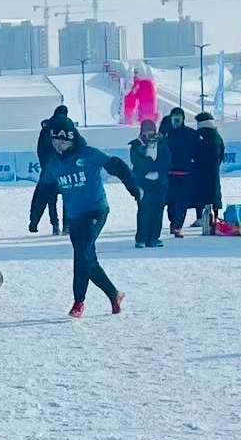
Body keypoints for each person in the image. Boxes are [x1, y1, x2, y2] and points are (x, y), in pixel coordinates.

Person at [43, 116, 140, 318]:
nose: (58, 146)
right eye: (54, 143)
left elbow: (117, 165)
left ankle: (79, 301)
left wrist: (133, 188)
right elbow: (43, 189)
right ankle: (114, 294)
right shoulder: (53, 163)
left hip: (96, 210)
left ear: (71, 139)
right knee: (89, 260)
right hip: (74, 216)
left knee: (81, 253)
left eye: (61, 142)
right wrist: (34, 218)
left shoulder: (88, 154)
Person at [129, 119, 171, 248]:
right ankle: (141, 238)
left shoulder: (162, 144)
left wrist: (157, 170)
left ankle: (154, 237)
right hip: (142, 183)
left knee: (157, 210)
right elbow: (137, 162)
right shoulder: (136, 146)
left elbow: (166, 161)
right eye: (146, 130)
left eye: (151, 130)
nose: (149, 133)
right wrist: (148, 168)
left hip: (159, 183)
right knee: (144, 210)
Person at [159, 107, 199, 238]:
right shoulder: (165, 135)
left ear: (183, 119)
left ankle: (178, 226)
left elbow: (198, 152)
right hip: (169, 173)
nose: (176, 121)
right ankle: (173, 223)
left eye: (178, 119)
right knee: (170, 202)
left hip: (185, 173)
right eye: (174, 119)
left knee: (182, 202)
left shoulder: (190, 134)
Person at [29, 105, 67, 234]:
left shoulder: (46, 130)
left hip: (49, 170)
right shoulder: (68, 128)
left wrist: (45, 166)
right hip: (65, 169)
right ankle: (67, 225)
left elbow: (40, 150)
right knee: (68, 198)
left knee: (51, 199)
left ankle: (55, 225)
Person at [193, 112, 226, 227]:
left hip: (200, 171)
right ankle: (215, 216)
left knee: (200, 193)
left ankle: (200, 217)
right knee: (214, 193)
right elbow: (222, 153)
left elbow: (195, 152)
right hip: (213, 171)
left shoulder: (199, 136)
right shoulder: (217, 135)